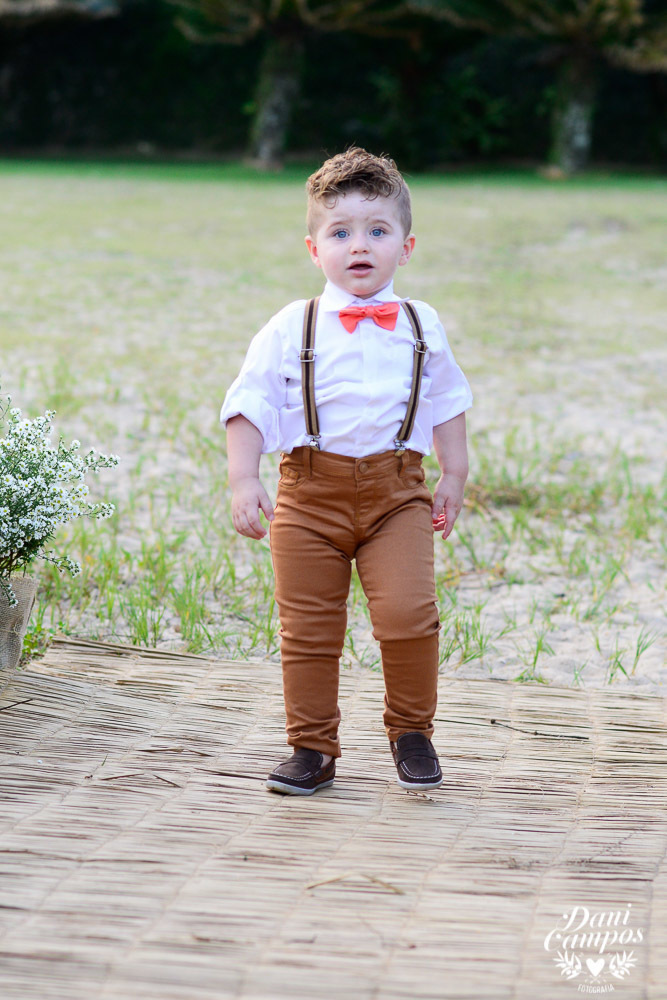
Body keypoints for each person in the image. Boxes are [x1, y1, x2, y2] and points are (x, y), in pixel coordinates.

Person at [220, 147, 472, 796]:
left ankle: (411, 730)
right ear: (313, 249)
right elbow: (247, 402)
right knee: (307, 627)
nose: (359, 246)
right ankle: (311, 747)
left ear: (405, 246)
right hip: (307, 496)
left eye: (377, 231)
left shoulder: (422, 323)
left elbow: (446, 400)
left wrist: (454, 474)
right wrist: (244, 479)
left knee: (409, 614)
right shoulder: (289, 325)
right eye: (340, 233)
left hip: (398, 494)